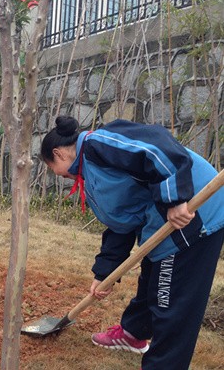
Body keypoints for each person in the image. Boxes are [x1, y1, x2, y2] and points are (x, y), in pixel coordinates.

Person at [40, 116, 224, 370]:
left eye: (51, 168)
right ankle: (134, 333)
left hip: (196, 216)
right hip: (160, 223)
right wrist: (103, 273)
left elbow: (157, 146)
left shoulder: (99, 144)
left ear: (58, 154)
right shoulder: (90, 168)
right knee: (151, 279)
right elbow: (121, 223)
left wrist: (175, 199)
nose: (57, 176)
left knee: (172, 303)